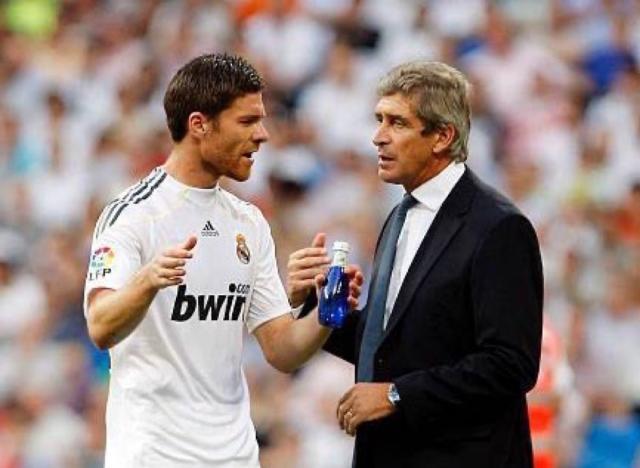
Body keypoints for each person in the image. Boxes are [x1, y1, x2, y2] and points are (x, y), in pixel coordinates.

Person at [83, 53, 363, 468]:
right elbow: (100, 326)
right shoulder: (135, 214)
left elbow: (282, 350)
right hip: (155, 456)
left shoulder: (248, 222)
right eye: (247, 121)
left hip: (235, 456)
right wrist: (147, 281)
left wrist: (325, 311)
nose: (262, 135)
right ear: (199, 124)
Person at [290, 60, 544, 467]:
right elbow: (389, 349)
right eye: (379, 120)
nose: (378, 136)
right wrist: (313, 304)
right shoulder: (399, 215)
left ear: (442, 136)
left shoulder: (499, 227)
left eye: (397, 123)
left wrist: (397, 395)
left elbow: (510, 364)